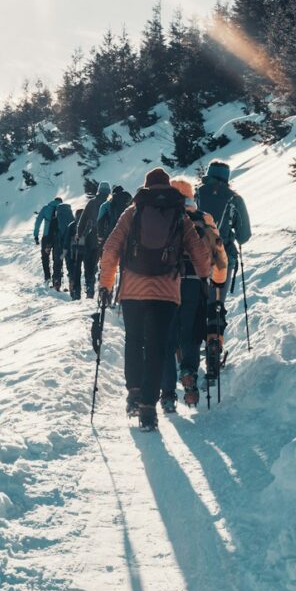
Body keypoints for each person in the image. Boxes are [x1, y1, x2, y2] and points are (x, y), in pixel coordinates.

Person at [98, 168, 211, 431]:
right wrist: (204, 278)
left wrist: (105, 284)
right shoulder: (179, 213)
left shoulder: (133, 211)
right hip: (166, 291)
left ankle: (134, 395)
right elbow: (199, 251)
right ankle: (149, 408)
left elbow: (111, 247)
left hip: (133, 290)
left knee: (135, 341)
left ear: (146, 187)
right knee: (158, 347)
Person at [160, 177, 229, 411]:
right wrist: (217, 283)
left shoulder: (162, 217)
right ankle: (189, 371)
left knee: (167, 340)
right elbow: (220, 255)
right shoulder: (203, 219)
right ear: (191, 196)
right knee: (191, 335)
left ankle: (168, 394)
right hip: (195, 285)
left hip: (166, 285)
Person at [195, 161, 251, 294]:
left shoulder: (196, 194)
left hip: (195, 256)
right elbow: (244, 236)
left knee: (195, 306)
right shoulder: (235, 199)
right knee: (216, 306)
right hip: (222, 257)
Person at [71, 181, 110, 299]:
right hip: (106, 237)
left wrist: (79, 234)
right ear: (108, 192)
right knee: (105, 263)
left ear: (98, 191)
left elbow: (82, 221)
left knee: (90, 263)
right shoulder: (109, 203)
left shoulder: (92, 203)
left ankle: (90, 287)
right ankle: (104, 289)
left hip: (92, 236)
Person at [32, 194, 75, 290]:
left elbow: (38, 221)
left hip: (47, 236)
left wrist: (35, 235)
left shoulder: (46, 208)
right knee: (57, 259)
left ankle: (47, 277)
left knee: (45, 257)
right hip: (59, 238)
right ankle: (57, 280)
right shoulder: (63, 211)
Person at [66, 208, 85, 300]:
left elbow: (66, 239)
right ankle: (80, 291)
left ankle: (75, 291)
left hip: (73, 251)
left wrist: (65, 249)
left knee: (75, 271)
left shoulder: (72, 225)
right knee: (80, 271)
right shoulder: (87, 223)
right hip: (84, 251)